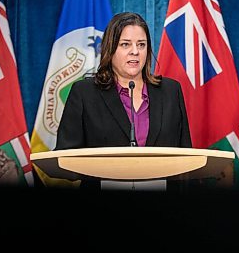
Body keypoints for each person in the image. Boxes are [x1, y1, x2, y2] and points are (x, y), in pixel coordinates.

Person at [55, 12, 192, 150]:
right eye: (125, 44)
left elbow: (186, 155)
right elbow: (66, 156)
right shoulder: (84, 93)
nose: (135, 51)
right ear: (110, 48)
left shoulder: (171, 91)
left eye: (141, 45)